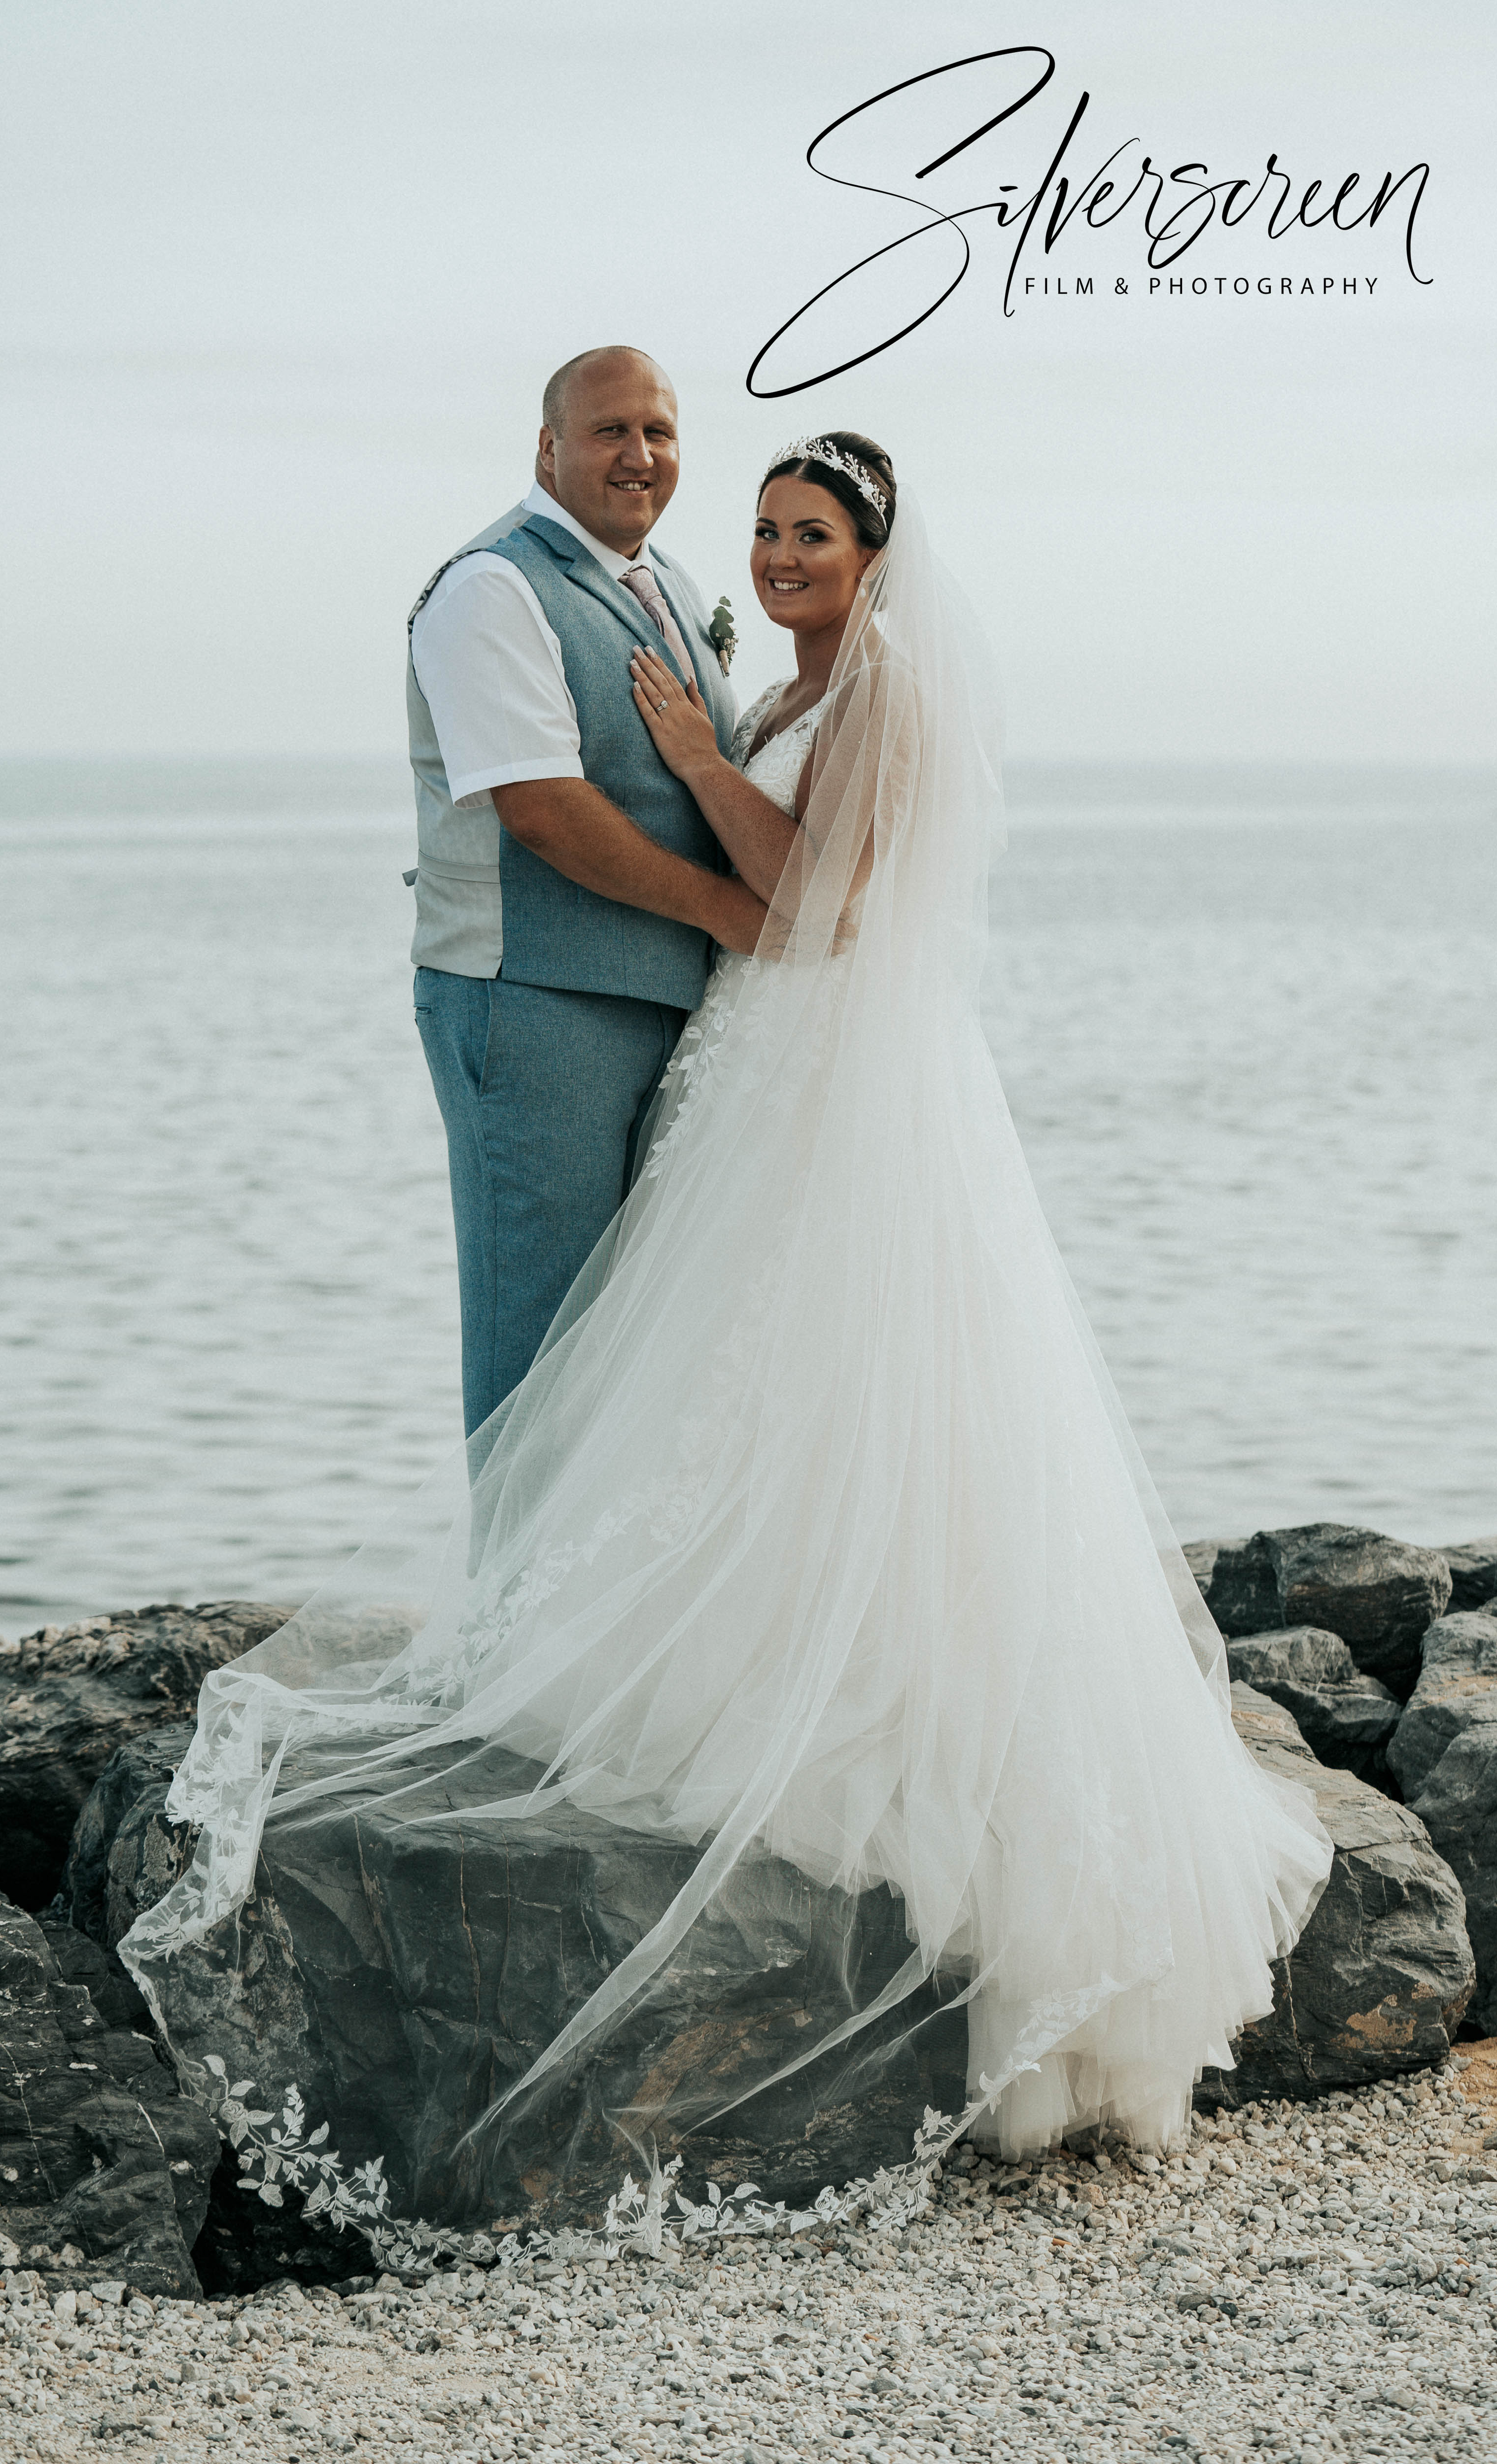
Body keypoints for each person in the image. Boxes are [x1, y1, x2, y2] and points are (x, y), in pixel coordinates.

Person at [124, 433, 1331, 2181]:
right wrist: (714, 739)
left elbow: (828, 901)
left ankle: (828, 1677)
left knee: (830, 1357)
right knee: (732, 1368)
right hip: (748, 1061)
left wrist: (693, 755)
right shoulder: (781, 678)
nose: (773, 553)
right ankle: (688, 1608)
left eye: (809, 533)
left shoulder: (886, 695)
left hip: (828, 1069)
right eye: (762, 529)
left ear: (874, 554)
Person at [405, 344, 764, 1434]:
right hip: (532, 1007)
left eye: (658, 431)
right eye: (610, 430)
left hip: (660, 1009)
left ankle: (601, 1605)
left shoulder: (670, 587)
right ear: (547, 448)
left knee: (634, 1348)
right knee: (540, 1346)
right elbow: (543, 809)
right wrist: (730, 914)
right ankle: (512, 1607)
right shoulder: (492, 587)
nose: (639, 454)